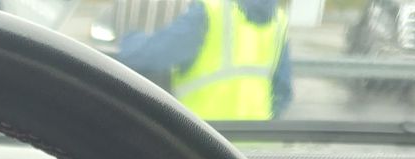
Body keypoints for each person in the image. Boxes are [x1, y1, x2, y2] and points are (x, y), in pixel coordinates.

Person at [117, 0, 292, 122]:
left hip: (205, 142)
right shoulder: (278, 21)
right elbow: (283, 92)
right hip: (257, 148)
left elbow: (150, 55)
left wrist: (129, 40)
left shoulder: (209, 11)